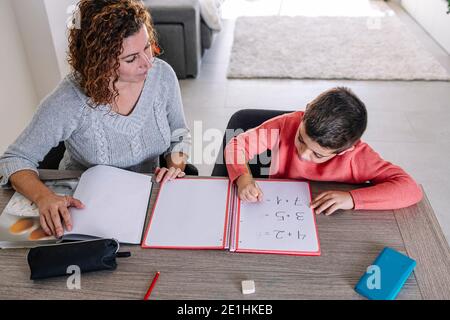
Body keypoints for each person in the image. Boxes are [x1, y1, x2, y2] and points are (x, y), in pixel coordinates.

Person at [0, 0, 192, 238]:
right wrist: (44, 197)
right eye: (131, 59)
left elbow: (179, 134)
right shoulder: (69, 100)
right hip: (85, 206)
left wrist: (175, 167)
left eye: (148, 47)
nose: (148, 62)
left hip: (147, 195)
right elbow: (14, 159)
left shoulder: (162, 76)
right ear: (100, 63)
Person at [225, 87, 423, 214]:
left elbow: (410, 189)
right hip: (277, 209)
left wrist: (352, 199)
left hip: (328, 221)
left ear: (346, 150)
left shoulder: (358, 156)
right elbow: (236, 146)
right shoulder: (286, 124)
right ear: (306, 111)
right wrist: (244, 178)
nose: (302, 154)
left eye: (317, 154)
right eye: (301, 139)